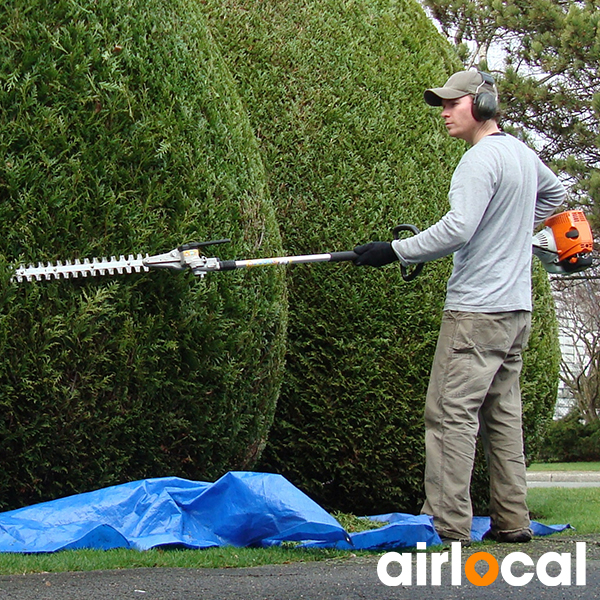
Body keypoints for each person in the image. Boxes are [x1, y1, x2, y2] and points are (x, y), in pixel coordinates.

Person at [353, 69, 566, 545]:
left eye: (453, 103)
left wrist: (394, 250)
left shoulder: (479, 159)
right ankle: (513, 522)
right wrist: (510, 228)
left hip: (476, 312)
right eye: (442, 105)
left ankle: (448, 526)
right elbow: (556, 195)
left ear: (483, 104)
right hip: (515, 313)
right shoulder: (521, 154)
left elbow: (458, 229)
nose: (445, 112)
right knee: (503, 417)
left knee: (450, 414)